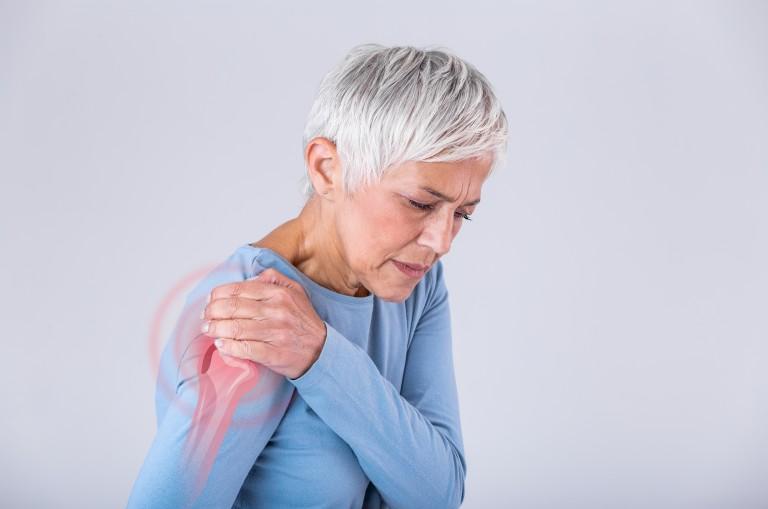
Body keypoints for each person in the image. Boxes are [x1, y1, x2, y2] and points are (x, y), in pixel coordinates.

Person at [127, 42, 508, 509]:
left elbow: (438, 492)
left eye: (462, 215)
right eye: (420, 204)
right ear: (327, 169)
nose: (441, 240)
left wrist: (320, 356)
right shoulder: (252, 319)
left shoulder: (418, 285)